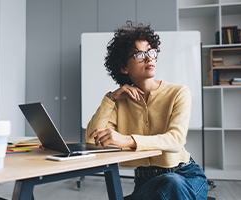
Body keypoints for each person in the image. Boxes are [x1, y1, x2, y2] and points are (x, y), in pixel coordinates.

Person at [85, 21, 208, 200]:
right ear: (123, 67)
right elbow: (91, 140)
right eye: (139, 54)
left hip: (185, 176)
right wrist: (110, 98)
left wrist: (127, 140)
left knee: (172, 183)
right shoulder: (119, 102)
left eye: (151, 52)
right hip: (146, 181)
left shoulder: (179, 92)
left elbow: (175, 140)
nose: (149, 58)